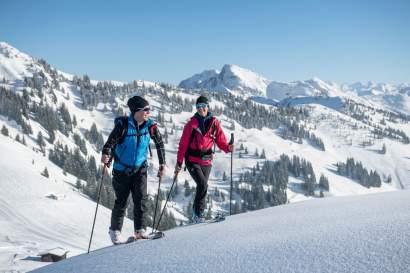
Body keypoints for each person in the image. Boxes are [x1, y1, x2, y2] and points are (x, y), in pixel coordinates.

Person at [101, 95, 166, 244]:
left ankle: (140, 230)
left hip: (140, 168)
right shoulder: (123, 126)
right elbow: (109, 143)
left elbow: (160, 144)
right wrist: (105, 155)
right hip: (121, 170)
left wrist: (162, 165)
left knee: (141, 200)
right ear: (136, 111)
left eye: (149, 109)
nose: (148, 112)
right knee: (122, 202)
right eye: (145, 109)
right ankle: (115, 232)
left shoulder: (150, 126)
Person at [175, 95, 234, 223]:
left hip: (206, 160)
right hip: (192, 159)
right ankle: (198, 215)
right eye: (198, 107)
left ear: (208, 107)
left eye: (203, 106)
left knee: (202, 187)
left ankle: (197, 214)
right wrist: (179, 162)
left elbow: (221, 141)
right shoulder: (191, 124)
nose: (201, 109)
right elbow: (183, 145)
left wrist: (228, 148)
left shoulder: (214, 123)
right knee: (202, 185)